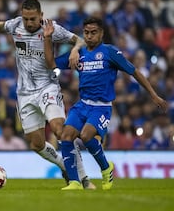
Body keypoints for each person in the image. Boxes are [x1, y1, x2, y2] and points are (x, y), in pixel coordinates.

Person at [0, 0, 95, 188]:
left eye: (33, 19)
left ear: (41, 16)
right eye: (26, 18)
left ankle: (84, 179)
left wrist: (75, 49)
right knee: (36, 144)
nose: (28, 23)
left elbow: (81, 41)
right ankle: (64, 166)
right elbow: (3, 26)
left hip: (47, 87)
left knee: (61, 131)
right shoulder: (15, 24)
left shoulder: (52, 28)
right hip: (24, 93)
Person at [45, 16, 168, 190]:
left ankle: (106, 167)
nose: (89, 36)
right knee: (65, 136)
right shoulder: (79, 54)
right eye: (86, 32)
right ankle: (74, 182)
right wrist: (48, 38)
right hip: (82, 104)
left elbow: (135, 72)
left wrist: (154, 96)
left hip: (101, 107)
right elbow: (50, 63)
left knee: (87, 136)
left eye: (93, 32)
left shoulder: (110, 52)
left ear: (101, 33)